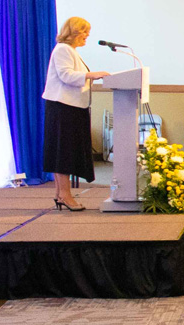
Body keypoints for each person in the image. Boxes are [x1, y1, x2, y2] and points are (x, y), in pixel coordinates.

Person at [41, 17, 109, 211]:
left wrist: (89, 77)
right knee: (63, 153)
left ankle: (60, 194)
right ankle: (65, 195)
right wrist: (91, 75)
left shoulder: (71, 51)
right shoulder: (63, 49)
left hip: (71, 107)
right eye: (84, 32)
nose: (87, 36)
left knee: (64, 151)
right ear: (74, 32)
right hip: (63, 107)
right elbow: (66, 75)